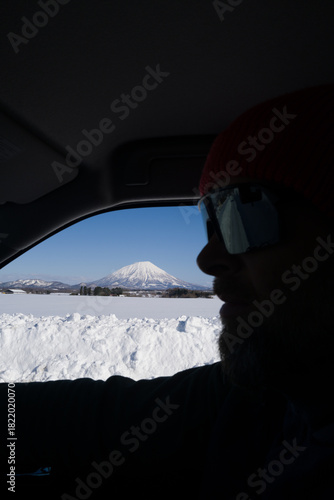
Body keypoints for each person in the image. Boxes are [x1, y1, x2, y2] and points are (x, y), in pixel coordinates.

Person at [1, 84, 334, 499]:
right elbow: (103, 417)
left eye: (244, 211)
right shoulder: (261, 399)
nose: (207, 257)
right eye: (211, 219)